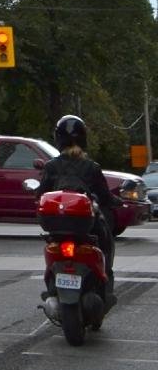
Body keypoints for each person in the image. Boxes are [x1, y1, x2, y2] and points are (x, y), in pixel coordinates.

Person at [37, 113, 116, 296]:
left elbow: (41, 194)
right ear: (83, 138)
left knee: (51, 243)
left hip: (57, 230)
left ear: (58, 139)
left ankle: (52, 285)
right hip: (87, 228)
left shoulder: (51, 167)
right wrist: (115, 201)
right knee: (106, 243)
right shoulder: (92, 167)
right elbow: (105, 196)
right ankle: (105, 277)